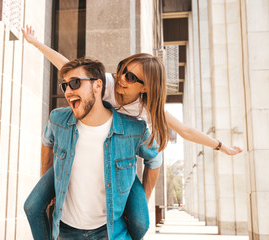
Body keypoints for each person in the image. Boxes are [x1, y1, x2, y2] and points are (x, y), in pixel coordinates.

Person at [22, 26, 242, 239]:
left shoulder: (146, 108)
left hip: (120, 160)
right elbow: (66, 66)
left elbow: (185, 131)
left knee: (140, 221)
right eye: (122, 69)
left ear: (145, 87)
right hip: (77, 153)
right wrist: (35, 43)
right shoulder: (105, 83)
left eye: (130, 77)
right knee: (32, 205)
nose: (121, 78)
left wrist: (221, 146)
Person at [31, 57, 161, 240]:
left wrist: (142, 202)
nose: (68, 91)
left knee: (141, 221)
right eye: (65, 86)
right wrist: (49, 182)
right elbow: (47, 141)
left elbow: (155, 158)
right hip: (68, 231)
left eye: (75, 84)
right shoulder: (59, 120)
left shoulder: (136, 125)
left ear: (97, 86)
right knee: (31, 206)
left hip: (110, 232)